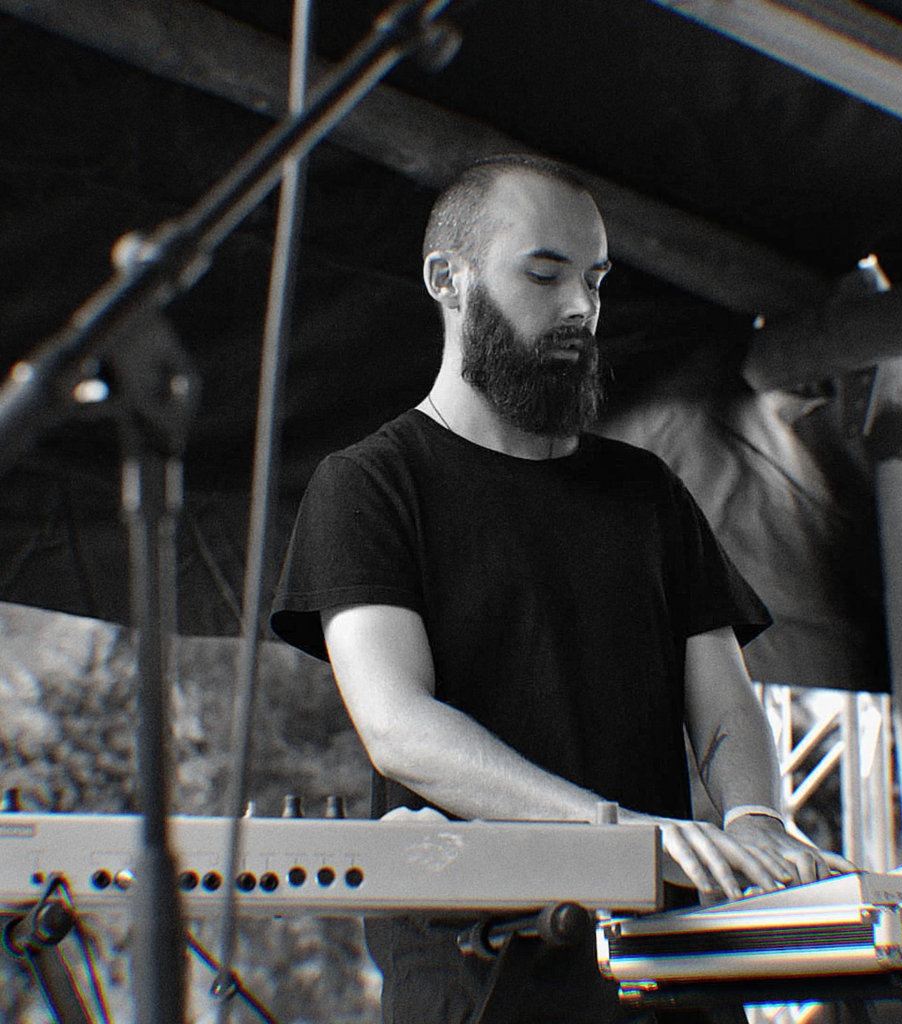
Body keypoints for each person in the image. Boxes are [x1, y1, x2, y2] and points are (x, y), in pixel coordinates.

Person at [270, 154, 846, 1023]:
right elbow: (399, 730)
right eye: (544, 274)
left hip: (666, 964)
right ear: (448, 280)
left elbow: (726, 704)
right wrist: (614, 835)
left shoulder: (648, 492)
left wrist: (755, 815)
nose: (581, 305)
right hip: (479, 974)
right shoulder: (369, 484)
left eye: (596, 280)